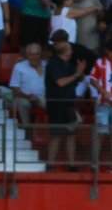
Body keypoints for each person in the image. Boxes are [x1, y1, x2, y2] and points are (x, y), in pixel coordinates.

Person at [45, 42, 86, 170]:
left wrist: (80, 73)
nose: (72, 51)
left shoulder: (71, 64)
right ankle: (50, 163)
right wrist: (76, 74)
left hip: (69, 103)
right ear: (65, 51)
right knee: (56, 135)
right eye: (70, 49)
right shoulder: (53, 64)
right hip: (56, 104)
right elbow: (60, 82)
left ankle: (72, 164)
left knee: (71, 134)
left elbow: (77, 79)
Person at [9, 43, 46, 130]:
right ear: (27, 55)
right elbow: (15, 89)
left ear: (41, 54)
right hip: (24, 97)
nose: (34, 57)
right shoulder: (19, 66)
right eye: (31, 54)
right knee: (23, 103)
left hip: (44, 96)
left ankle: (57, 127)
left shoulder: (47, 65)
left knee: (53, 103)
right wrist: (28, 96)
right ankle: (27, 129)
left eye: (37, 54)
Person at [89, 40, 112, 167]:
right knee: (100, 134)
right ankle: (94, 163)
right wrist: (102, 91)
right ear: (108, 51)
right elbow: (92, 79)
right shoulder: (100, 63)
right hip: (103, 104)